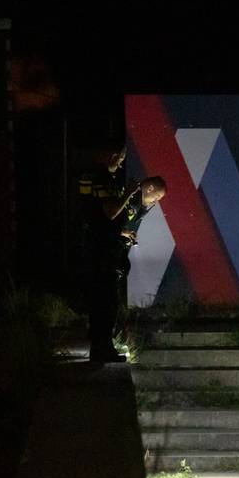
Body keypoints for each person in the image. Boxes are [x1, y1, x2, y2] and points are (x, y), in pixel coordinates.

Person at [84, 144, 166, 363]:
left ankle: (102, 345)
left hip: (105, 249)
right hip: (105, 251)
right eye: (119, 158)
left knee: (105, 301)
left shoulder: (101, 179)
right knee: (105, 301)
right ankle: (101, 348)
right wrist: (127, 196)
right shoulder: (104, 180)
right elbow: (108, 214)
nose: (119, 163)